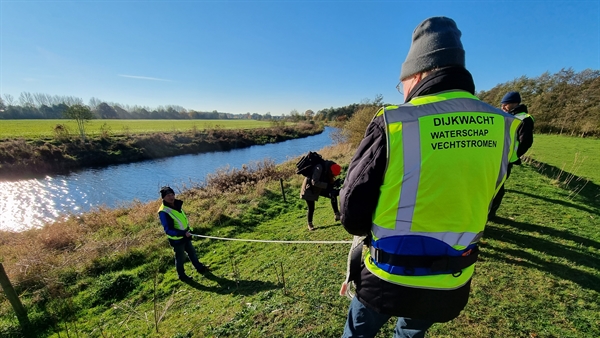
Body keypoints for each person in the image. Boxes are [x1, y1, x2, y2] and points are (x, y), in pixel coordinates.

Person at [339, 17, 522, 337]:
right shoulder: (504, 126)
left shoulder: (396, 121)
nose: (403, 92)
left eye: (402, 84)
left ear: (419, 73)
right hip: (452, 280)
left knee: (358, 332)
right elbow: (488, 199)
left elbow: (352, 211)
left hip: (388, 277)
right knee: (411, 332)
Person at [488, 91, 534, 219]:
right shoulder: (504, 116)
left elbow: (526, 141)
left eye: (506, 104)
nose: (502, 107)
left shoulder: (524, 119)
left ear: (515, 103)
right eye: (502, 104)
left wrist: (514, 155)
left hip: (506, 159)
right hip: (496, 156)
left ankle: (491, 213)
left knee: (498, 186)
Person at [158, 186, 208, 281]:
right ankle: (182, 276)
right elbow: (168, 230)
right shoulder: (163, 212)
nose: (171, 197)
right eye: (168, 195)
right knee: (180, 258)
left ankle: (199, 267)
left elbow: (181, 220)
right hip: (177, 240)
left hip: (185, 235)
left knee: (192, 252)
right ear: (163, 197)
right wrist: (183, 233)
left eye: (172, 194)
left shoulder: (177, 204)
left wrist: (189, 230)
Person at [300, 160, 342, 231]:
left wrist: (334, 183)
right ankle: (310, 224)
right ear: (331, 170)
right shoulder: (319, 168)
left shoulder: (328, 168)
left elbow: (326, 180)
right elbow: (314, 182)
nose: (333, 176)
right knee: (311, 207)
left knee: (332, 194)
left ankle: (337, 214)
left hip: (320, 187)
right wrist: (327, 185)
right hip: (309, 188)